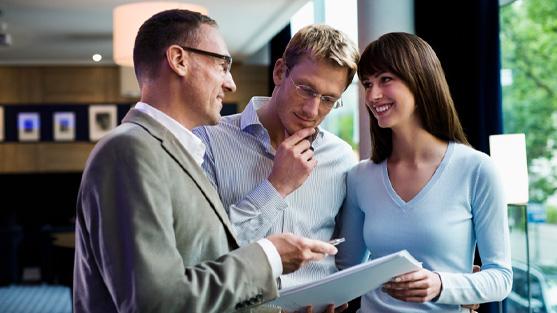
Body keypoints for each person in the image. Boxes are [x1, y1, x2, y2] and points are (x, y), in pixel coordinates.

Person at [72, 9, 340, 313]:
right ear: (179, 60)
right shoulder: (128, 150)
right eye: (223, 65)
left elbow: (197, 279)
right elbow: (155, 304)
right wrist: (269, 256)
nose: (231, 84)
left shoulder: (176, 151)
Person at [335, 32, 513, 312]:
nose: (372, 95)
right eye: (367, 84)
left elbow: (501, 278)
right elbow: (345, 270)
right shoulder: (360, 177)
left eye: (385, 80)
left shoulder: (477, 169)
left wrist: (441, 285)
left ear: (420, 80)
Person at [194, 24, 359, 288]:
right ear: (280, 71)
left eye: (328, 99)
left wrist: (338, 294)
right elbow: (204, 252)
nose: (312, 109)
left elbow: (343, 256)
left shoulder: (341, 158)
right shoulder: (207, 141)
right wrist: (277, 186)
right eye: (305, 89)